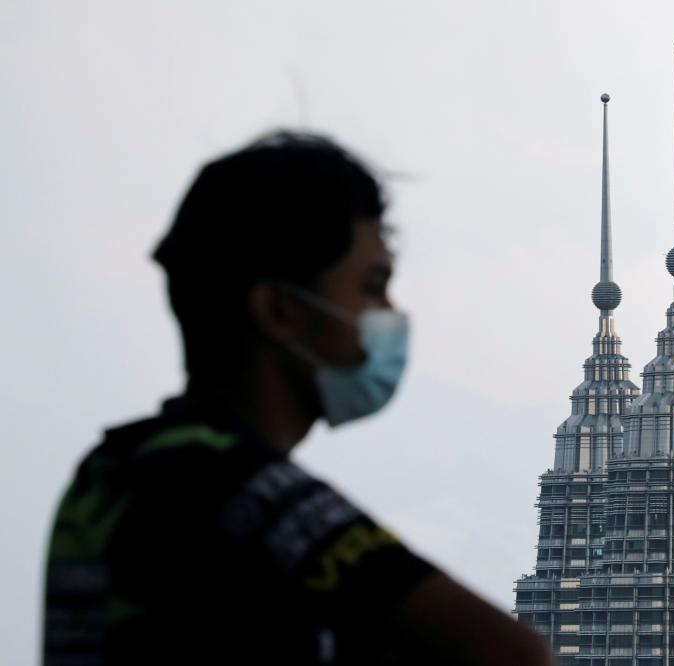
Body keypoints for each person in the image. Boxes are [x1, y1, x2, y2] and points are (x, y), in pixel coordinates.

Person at [43, 131, 552, 666]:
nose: (388, 312)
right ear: (280, 311)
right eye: (371, 286)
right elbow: (509, 651)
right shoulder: (235, 485)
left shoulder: (106, 475)